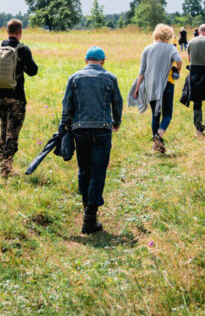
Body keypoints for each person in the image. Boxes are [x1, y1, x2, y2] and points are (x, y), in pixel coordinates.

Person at [59, 46, 123, 234]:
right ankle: (90, 217)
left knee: (84, 170)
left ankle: (88, 211)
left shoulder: (74, 78)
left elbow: (67, 104)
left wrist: (64, 125)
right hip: (102, 129)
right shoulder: (110, 78)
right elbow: (117, 103)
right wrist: (116, 122)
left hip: (80, 129)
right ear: (103, 61)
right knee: (98, 172)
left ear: (86, 60)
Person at [0, 19, 39, 177]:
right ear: (20, 32)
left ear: (7, 31)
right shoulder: (22, 49)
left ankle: (3, 163)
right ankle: (6, 170)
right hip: (16, 98)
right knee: (12, 134)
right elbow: (33, 71)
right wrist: (21, 66)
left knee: (4, 130)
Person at [130, 24, 183, 154]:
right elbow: (179, 59)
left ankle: (156, 144)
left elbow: (142, 71)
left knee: (155, 114)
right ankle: (158, 136)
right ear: (169, 35)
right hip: (167, 84)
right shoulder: (171, 48)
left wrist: (137, 87)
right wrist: (178, 69)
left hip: (150, 85)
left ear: (156, 34)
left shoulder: (147, 48)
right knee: (167, 114)